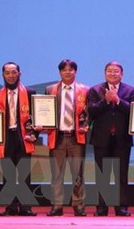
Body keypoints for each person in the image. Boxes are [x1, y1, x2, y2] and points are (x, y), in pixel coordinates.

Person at [87, 61, 134, 217]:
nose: (113, 74)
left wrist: (118, 100)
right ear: (104, 73)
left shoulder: (130, 90)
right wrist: (106, 101)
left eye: (116, 71)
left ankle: (121, 208)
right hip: (101, 139)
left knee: (121, 175)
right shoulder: (95, 90)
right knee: (102, 175)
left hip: (122, 139)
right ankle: (101, 208)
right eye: (109, 71)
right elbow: (91, 111)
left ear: (122, 74)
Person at [0, 62, 37, 216]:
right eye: (7, 73)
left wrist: (35, 133)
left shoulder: (30, 92)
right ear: (3, 75)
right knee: (8, 174)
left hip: (24, 136)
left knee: (24, 174)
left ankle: (25, 207)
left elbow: (36, 117)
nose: (11, 75)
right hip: (6, 137)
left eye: (14, 72)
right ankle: (10, 207)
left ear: (19, 74)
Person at [43, 59, 89, 217]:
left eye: (71, 70)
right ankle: (57, 205)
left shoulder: (85, 90)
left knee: (78, 174)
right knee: (56, 175)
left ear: (76, 72)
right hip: (58, 137)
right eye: (64, 70)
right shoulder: (50, 89)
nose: (67, 72)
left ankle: (78, 205)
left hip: (76, 137)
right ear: (60, 72)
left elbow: (88, 114)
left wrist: (86, 125)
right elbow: (45, 111)